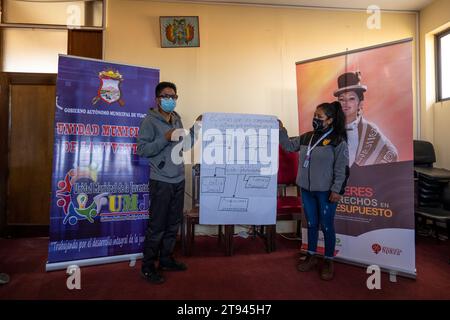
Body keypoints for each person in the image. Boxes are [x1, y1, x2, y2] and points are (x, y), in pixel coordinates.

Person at [137, 81, 201, 284]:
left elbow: (185, 145)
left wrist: (196, 128)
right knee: (157, 226)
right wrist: (164, 137)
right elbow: (143, 150)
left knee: (173, 223)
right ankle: (148, 266)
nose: (170, 100)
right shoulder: (149, 121)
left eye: (173, 97)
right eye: (166, 96)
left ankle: (165, 259)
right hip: (161, 181)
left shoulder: (177, 119)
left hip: (179, 179)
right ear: (157, 99)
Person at [279, 101, 349, 280]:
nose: (315, 119)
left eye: (320, 117)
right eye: (314, 116)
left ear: (330, 120)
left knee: (326, 226)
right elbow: (288, 146)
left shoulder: (337, 140)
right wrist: (281, 130)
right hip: (306, 190)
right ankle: (311, 255)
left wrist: (337, 190)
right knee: (311, 224)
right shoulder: (306, 137)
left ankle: (328, 260)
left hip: (326, 192)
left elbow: (342, 169)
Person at [334, 71, 398, 167]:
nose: (345, 103)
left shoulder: (369, 129)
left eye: (351, 98)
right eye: (342, 99)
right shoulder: (332, 129)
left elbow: (392, 154)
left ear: (360, 103)